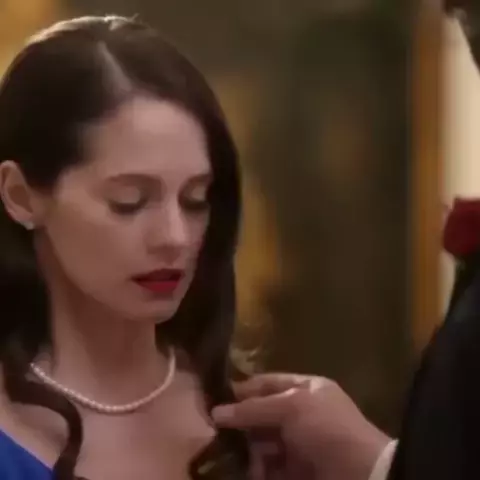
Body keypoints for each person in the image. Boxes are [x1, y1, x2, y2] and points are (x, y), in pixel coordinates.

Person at [0, 14, 250, 480]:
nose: (175, 236)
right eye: (129, 202)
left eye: (195, 200)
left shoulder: (259, 421)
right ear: (20, 195)